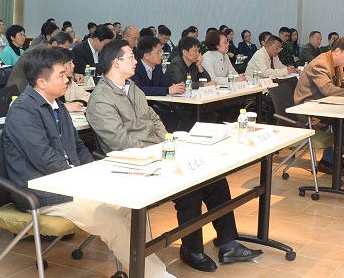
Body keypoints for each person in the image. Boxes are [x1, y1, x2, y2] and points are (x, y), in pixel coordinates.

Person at [86, 40, 263, 272]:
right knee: (190, 190)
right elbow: (120, 142)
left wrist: (166, 143)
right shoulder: (101, 98)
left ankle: (228, 243)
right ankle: (191, 249)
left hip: (157, 153)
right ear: (116, 62)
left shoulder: (131, 87)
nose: (136, 61)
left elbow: (153, 117)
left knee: (214, 180)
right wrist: (157, 151)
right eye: (131, 57)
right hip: (133, 163)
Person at [2, 46, 176, 278]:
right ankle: (155, 275)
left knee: (134, 204)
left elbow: (79, 146)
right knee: (109, 218)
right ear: (42, 82)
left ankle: (140, 270)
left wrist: (91, 174)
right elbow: (44, 159)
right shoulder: (23, 111)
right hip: (41, 192)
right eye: (61, 75)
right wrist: (84, 181)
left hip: (71, 184)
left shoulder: (56, 105)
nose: (68, 79)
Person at [293, 36, 344, 174]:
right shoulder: (320, 64)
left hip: (325, 107)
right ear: (338, 51)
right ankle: (328, 161)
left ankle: (338, 156)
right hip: (310, 112)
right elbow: (327, 89)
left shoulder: (337, 65)